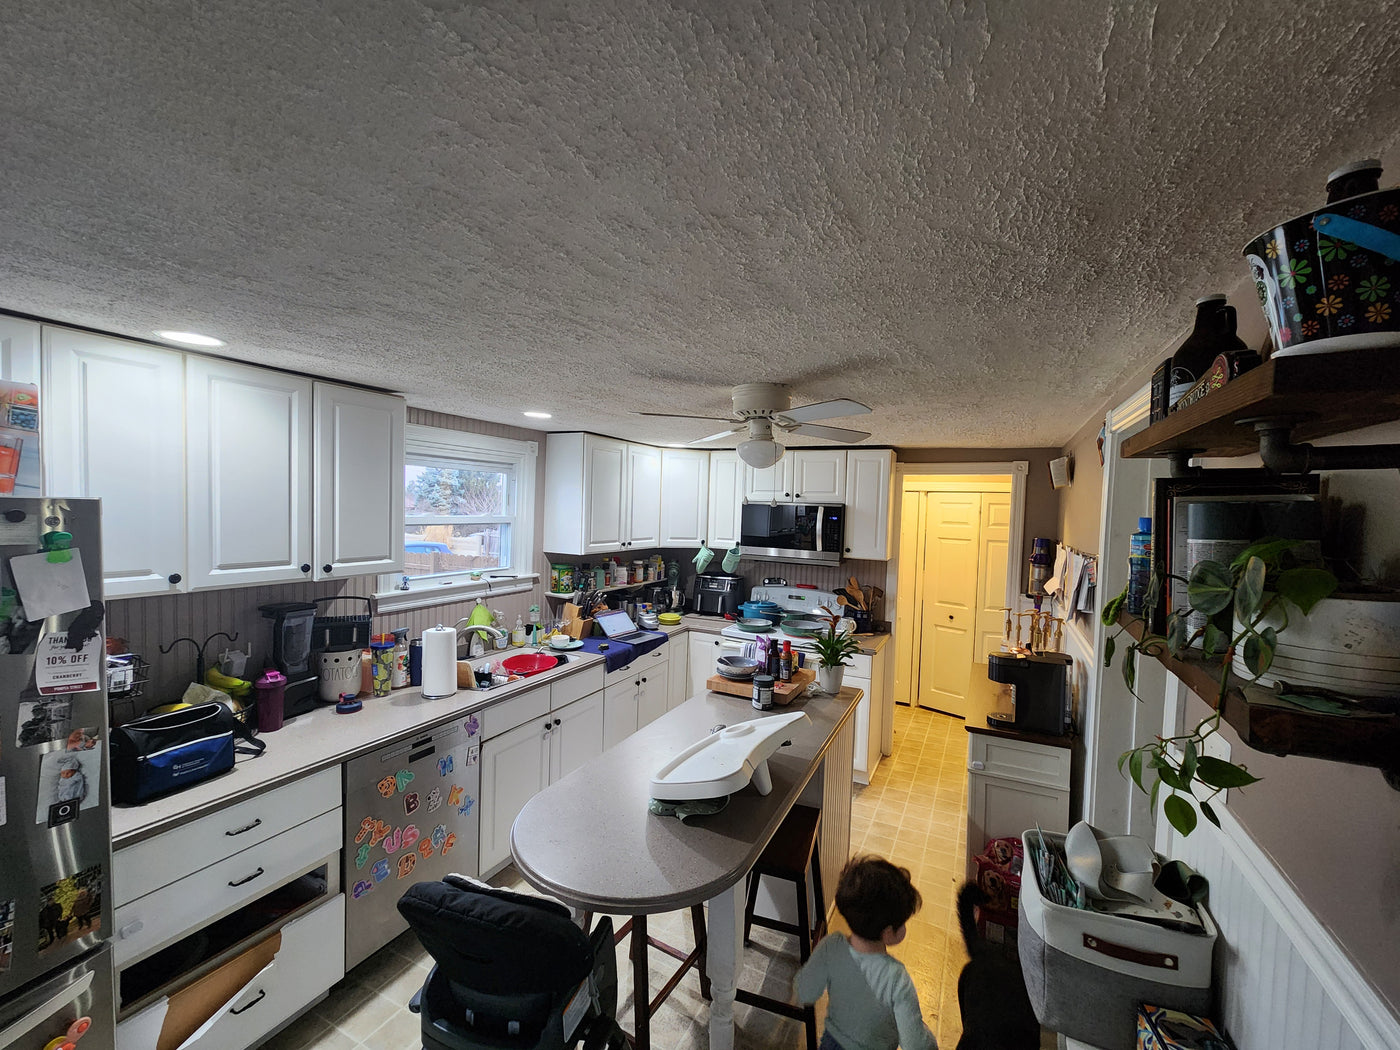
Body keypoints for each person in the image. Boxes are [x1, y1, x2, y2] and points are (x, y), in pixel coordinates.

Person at [795, 855, 937, 1050]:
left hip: (831, 1042)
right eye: (902, 923)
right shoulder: (896, 979)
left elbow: (805, 989)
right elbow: (915, 1045)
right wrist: (928, 1037)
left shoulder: (831, 945)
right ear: (888, 933)